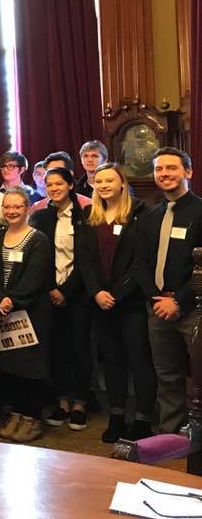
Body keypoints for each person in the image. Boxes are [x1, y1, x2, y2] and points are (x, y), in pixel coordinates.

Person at [129, 147, 202, 434]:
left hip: (193, 308)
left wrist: (178, 301)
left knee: (199, 377)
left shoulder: (200, 211)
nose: (164, 174)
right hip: (157, 308)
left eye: (171, 168)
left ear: (188, 172)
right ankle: (170, 435)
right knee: (167, 375)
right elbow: (139, 263)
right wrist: (156, 299)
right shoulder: (151, 215)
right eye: (159, 169)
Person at [81, 163, 154, 443]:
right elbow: (84, 258)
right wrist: (97, 292)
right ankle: (117, 416)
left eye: (109, 180)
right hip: (100, 302)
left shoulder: (140, 213)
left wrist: (117, 294)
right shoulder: (90, 214)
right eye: (99, 181)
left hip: (131, 301)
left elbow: (141, 261)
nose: (103, 185)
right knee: (112, 361)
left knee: (139, 360)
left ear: (122, 182)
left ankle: (143, 420)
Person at [29, 166, 95, 431]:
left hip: (78, 293)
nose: (54, 188)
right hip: (49, 293)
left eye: (59, 183)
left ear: (70, 185)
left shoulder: (85, 215)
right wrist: (52, 290)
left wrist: (66, 290)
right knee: (57, 350)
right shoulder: (41, 216)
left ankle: (80, 403)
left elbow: (87, 259)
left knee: (80, 349)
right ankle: (63, 401)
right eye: (49, 185)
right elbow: (39, 258)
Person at [0, 187, 54, 444]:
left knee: (31, 368)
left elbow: (35, 277)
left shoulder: (38, 240)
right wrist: (0, 299)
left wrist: (13, 300)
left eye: (17, 206)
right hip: (5, 312)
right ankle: (17, 413)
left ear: (27, 208)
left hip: (32, 313)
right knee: (12, 366)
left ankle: (32, 418)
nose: (12, 211)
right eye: (7, 206)